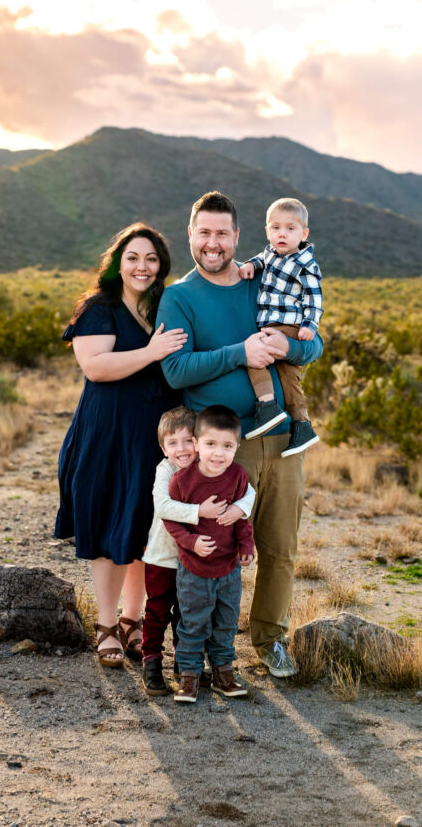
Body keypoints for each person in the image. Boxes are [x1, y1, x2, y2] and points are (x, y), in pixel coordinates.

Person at [156, 192, 323, 678]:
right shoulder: (180, 296)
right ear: (190, 235)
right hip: (226, 451)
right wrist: (240, 352)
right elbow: (175, 370)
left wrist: (289, 344)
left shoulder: (262, 281)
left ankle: (271, 640)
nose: (213, 243)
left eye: (222, 233)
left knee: (279, 548)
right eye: (204, 233)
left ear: (237, 237)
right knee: (217, 550)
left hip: (285, 440)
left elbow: (313, 346)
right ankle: (210, 651)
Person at [55, 224, 186, 667]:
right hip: (109, 432)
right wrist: (151, 351)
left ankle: (133, 621)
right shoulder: (100, 308)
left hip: (153, 436)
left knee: (141, 527)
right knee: (109, 528)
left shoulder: (162, 307)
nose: (142, 267)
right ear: (117, 262)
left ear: (161, 266)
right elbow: (95, 367)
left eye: (151, 259)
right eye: (133, 257)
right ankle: (106, 625)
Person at [141, 405, 256, 696]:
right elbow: (164, 508)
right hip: (163, 555)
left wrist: (240, 510)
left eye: (187, 441)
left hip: (193, 562)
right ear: (163, 447)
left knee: (187, 613)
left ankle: (186, 669)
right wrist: (200, 511)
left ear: (196, 442)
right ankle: (152, 660)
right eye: (172, 443)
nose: (182, 449)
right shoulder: (169, 472)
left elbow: (246, 494)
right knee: (157, 609)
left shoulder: (217, 471)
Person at [239, 196, 323, 456]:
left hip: (288, 325)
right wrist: (252, 264)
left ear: (303, 233)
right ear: (267, 231)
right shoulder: (270, 253)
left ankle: (267, 407)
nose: (282, 234)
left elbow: (314, 296)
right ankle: (302, 424)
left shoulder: (304, 263)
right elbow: (261, 258)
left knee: (255, 357)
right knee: (290, 378)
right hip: (273, 324)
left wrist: (310, 324)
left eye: (290, 229)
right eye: (275, 228)